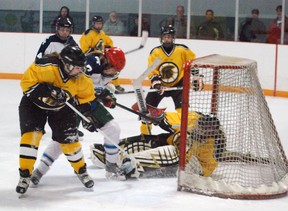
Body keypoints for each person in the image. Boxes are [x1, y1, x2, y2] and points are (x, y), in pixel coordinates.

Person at [30, 47, 138, 186]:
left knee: (113, 128)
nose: (113, 72)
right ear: (105, 61)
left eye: (116, 70)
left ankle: (111, 167)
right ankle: (40, 170)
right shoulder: (91, 62)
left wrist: (107, 96)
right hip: (71, 104)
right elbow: (78, 85)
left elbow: (96, 89)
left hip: (88, 103)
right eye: (112, 68)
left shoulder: (109, 72)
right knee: (62, 139)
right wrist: (99, 92)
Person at [16, 45, 95, 194]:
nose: (81, 71)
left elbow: (86, 100)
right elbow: (26, 84)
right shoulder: (45, 67)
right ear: (67, 64)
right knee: (31, 137)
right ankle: (25, 175)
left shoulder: (81, 79)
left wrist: (88, 117)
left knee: (70, 140)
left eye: (81, 67)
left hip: (62, 108)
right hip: (33, 105)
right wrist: (49, 90)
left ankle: (81, 170)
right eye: (78, 68)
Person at [90, 111, 226, 178]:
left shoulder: (212, 144)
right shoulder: (194, 117)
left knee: (171, 151)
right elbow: (170, 117)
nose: (201, 130)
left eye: (207, 130)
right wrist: (158, 117)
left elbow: (208, 166)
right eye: (201, 127)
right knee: (152, 141)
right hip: (171, 141)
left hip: (182, 164)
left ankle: (132, 167)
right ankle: (111, 154)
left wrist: (197, 170)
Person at [138, 25, 199, 135]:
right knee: (146, 112)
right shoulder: (156, 52)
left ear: (173, 38)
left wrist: (195, 77)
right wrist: (156, 84)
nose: (167, 39)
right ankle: (145, 135)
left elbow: (193, 63)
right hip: (160, 86)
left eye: (169, 37)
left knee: (183, 111)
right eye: (165, 37)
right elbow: (151, 70)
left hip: (178, 85)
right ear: (161, 38)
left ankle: (184, 133)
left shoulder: (182, 50)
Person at [80, 15, 126, 93]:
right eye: (97, 24)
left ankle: (116, 85)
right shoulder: (87, 34)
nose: (99, 25)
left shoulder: (102, 33)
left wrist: (108, 49)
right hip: (91, 58)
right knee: (95, 74)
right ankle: (94, 86)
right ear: (93, 24)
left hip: (101, 57)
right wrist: (95, 50)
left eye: (100, 24)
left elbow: (109, 42)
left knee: (113, 67)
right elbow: (85, 50)